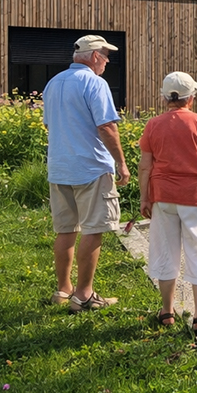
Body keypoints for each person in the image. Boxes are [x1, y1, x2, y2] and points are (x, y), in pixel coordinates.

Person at [138, 71, 197, 334]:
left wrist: (144, 197)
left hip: (163, 196)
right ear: (191, 97)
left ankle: (167, 311)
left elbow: (145, 166)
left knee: (165, 251)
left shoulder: (153, 125)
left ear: (164, 97)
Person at [42, 34, 131, 312]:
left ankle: (63, 289)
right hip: (91, 167)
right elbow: (106, 126)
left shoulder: (53, 83)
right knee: (94, 230)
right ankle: (84, 295)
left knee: (65, 230)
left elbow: (50, 124)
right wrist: (121, 163)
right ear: (94, 56)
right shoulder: (95, 82)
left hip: (59, 167)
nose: (106, 62)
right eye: (105, 56)